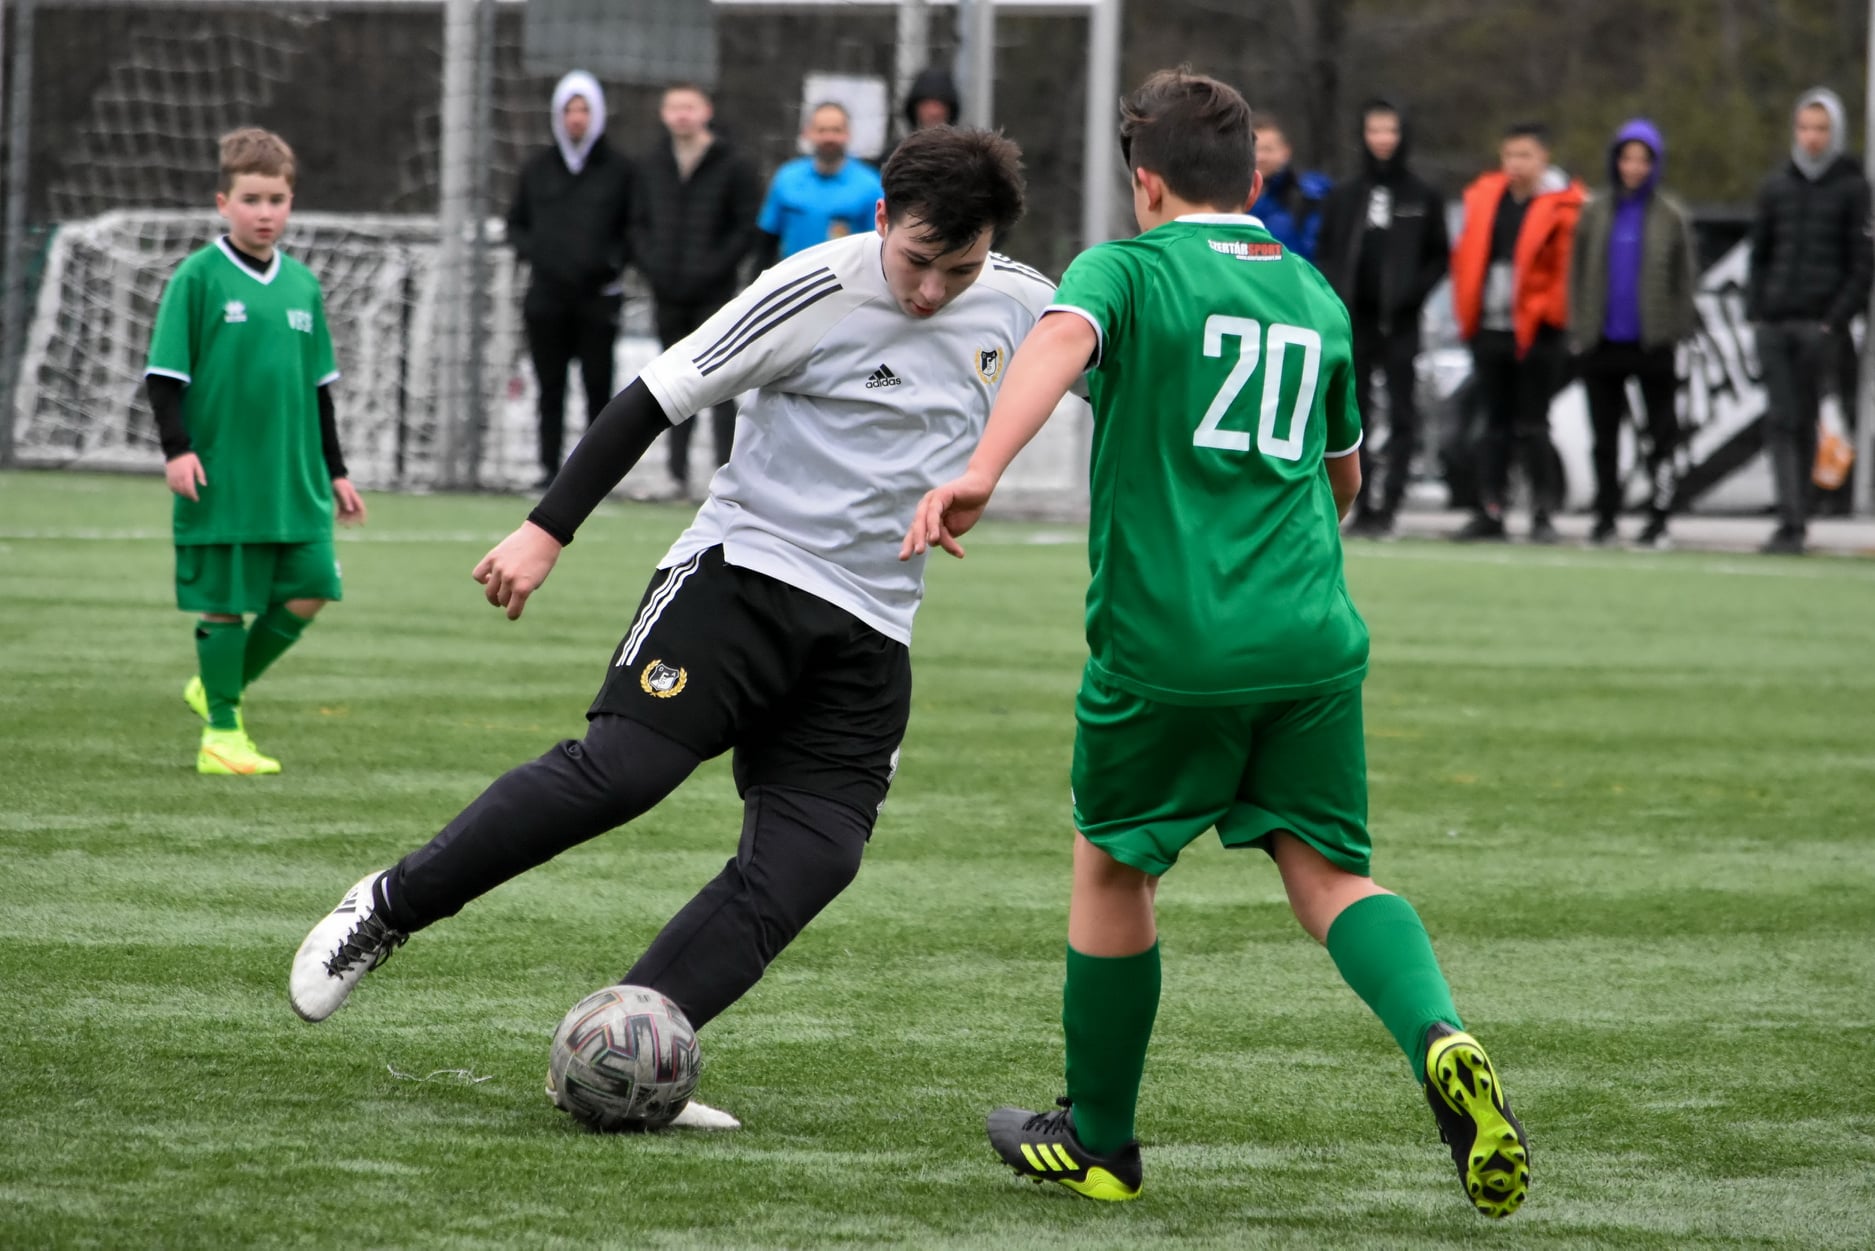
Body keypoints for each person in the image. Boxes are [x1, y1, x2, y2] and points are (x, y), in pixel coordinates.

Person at [287, 130, 1054, 1127]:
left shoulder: (1026, 302)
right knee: (624, 773)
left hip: (871, 623)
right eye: (916, 261)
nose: (931, 292)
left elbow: (1114, 366)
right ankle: (388, 906)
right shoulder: (811, 288)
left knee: (815, 857)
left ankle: (625, 1047)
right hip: (743, 578)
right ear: (880, 220)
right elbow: (655, 395)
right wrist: (544, 529)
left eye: (960, 269)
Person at [904, 70, 1529, 1217]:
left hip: (1172, 643)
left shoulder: (1126, 270)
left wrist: (981, 469)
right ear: (1251, 180)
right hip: (1310, 638)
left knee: (1114, 865)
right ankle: (1439, 1035)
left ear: (1145, 181)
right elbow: (1343, 479)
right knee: (1330, 874)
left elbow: (1059, 342)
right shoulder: (1312, 290)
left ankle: (1100, 1141)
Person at [146, 128, 365, 777]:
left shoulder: (302, 285)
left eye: (276, 199)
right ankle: (221, 733)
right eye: (251, 199)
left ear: (291, 201)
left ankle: (219, 683)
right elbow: (164, 377)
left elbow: (320, 390)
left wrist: (337, 470)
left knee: (315, 584)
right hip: (223, 472)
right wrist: (177, 450)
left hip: (293, 476)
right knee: (224, 600)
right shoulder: (197, 277)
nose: (265, 212)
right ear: (224, 202)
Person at [1748, 87, 1873, 555]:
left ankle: (1804, 513)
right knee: (1781, 420)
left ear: (1835, 132)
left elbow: (1862, 263)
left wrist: (1833, 320)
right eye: (1804, 127)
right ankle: (1790, 518)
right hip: (1776, 324)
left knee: (1808, 420)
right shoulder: (1776, 187)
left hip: (1820, 326)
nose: (1812, 137)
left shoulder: (1853, 189)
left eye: (1821, 128)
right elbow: (1759, 254)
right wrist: (1757, 313)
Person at [1316, 98, 1449, 537]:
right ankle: (1360, 501)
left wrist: (1411, 296)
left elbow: (1439, 257)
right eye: (1374, 130)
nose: (1382, 139)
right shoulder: (1345, 196)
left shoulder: (1422, 196)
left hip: (1401, 325)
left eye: (1390, 130)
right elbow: (1327, 252)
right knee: (1354, 413)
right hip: (1353, 324)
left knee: (1402, 413)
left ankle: (1390, 503)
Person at [1449, 122, 1586, 543]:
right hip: (1490, 329)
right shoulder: (1486, 199)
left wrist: (1546, 314)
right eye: (1509, 155)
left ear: (1544, 158)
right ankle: (1490, 508)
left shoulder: (1563, 205)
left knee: (1533, 424)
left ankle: (1542, 512)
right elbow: (1469, 258)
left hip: (1538, 334)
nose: (1516, 164)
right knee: (1494, 425)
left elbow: (1564, 270)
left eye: (1525, 155)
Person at [1568, 119, 1698, 549]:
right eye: (1627, 159)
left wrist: (1675, 330)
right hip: (1602, 342)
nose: (1634, 168)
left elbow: (1684, 280)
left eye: (1643, 160)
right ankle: (1605, 517)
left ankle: (1659, 518)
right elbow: (1578, 272)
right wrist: (1580, 327)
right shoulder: (1594, 212)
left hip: (1652, 344)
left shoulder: (1671, 215)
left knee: (1660, 437)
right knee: (1604, 439)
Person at [630, 82, 763, 500]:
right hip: (667, 292)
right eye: (674, 107)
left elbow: (745, 228)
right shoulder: (650, 165)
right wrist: (655, 268)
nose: (682, 115)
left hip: (715, 293)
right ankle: (676, 473)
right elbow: (637, 224)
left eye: (689, 106)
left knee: (721, 382)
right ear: (663, 114)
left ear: (706, 111)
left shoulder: (735, 165)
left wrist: (714, 268)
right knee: (671, 384)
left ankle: (727, 473)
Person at [507, 70, 633, 489]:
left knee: (598, 388)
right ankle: (549, 469)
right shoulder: (537, 169)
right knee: (550, 388)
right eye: (569, 110)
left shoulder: (619, 170)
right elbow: (517, 225)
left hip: (597, 299)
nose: (576, 118)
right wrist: (543, 255)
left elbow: (633, 228)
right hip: (547, 298)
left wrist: (607, 264)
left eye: (584, 110)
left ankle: (596, 475)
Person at [756, 102, 885, 264]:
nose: (829, 137)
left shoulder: (870, 185)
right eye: (822, 130)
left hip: (847, 277)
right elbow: (767, 241)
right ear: (808, 133)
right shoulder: (787, 178)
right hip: (793, 274)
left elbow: (880, 244)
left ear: (848, 133)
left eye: (836, 130)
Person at [1249, 115, 1332, 261]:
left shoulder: (1310, 196)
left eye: (1268, 149)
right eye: (1253, 149)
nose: (1260, 157)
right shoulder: (1226, 197)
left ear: (1285, 151)